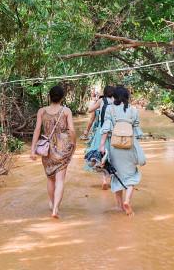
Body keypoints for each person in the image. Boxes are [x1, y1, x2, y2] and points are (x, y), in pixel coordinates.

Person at [30, 85, 76, 219]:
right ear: (62, 97)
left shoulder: (41, 111)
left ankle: (51, 203)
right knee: (60, 180)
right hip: (63, 147)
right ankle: (55, 208)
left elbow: (37, 130)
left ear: (50, 96)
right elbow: (72, 130)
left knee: (50, 178)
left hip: (47, 148)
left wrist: (33, 150)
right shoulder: (66, 111)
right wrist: (74, 144)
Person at [99, 86, 145, 216]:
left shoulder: (110, 108)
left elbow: (106, 128)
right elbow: (136, 131)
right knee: (131, 176)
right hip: (130, 146)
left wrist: (102, 145)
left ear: (114, 97)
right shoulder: (133, 110)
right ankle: (127, 201)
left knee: (116, 175)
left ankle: (119, 206)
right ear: (127, 97)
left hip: (115, 147)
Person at [83, 85, 115, 189]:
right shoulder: (116, 101)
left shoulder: (102, 101)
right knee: (111, 155)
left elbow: (90, 110)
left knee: (99, 155)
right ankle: (112, 179)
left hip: (101, 131)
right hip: (113, 131)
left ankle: (104, 180)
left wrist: (96, 101)